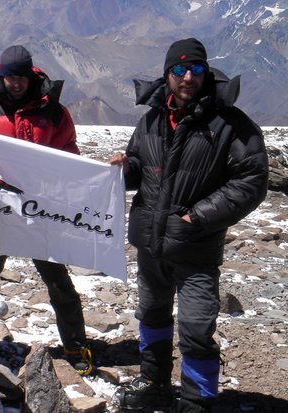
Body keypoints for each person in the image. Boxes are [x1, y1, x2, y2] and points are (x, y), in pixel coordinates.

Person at [109, 38, 268, 412]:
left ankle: (197, 400)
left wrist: (198, 217)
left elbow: (251, 180)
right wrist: (125, 168)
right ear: (167, 75)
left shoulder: (231, 124)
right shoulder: (150, 120)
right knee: (151, 314)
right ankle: (154, 383)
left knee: (196, 328)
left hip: (196, 245)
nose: (187, 77)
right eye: (179, 70)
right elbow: (140, 165)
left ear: (206, 74)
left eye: (195, 70)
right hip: (151, 244)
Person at [0, 45, 92, 376]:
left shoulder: (53, 112)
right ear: (0, 75)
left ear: (31, 74)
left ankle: (76, 345)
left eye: (21, 77)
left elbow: (68, 152)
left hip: (38, 213)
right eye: (9, 77)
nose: (16, 83)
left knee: (58, 280)